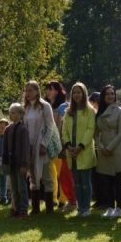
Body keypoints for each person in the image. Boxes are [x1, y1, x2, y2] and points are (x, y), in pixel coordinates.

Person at [62, 82, 97, 217]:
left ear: (84, 94)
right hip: (71, 152)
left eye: (79, 92)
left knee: (85, 181)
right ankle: (80, 208)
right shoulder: (68, 113)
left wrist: (80, 146)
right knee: (76, 182)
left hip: (84, 151)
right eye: (74, 93)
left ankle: (86, 207)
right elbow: (64, 131)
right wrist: (69, 146)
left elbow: (90, 130)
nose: (76, 95)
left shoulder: (90, 111)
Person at [22, 81, 57, 214]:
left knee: (46, 176)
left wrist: (44, 144)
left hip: (42, 145)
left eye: (30, 90)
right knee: (33, 177)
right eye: (26, 91)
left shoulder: (45, 106)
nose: (28, 93)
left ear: (37, 92)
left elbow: (50, 126)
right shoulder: (24, 107)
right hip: (29, 146)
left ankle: (49, 208)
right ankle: (35, 207)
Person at [95, 85, 121, 219]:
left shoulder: (119, 111)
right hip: (103, 150)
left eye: (112, 94)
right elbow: (95, 134)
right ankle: (110, 207)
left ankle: (119, 208)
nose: (110, 96)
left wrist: (109, 148)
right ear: (103, 96)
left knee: (117, 181)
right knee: (107, 181)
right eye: (107, 94)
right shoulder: (99, 113)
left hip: (116, 149)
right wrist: (101, 147)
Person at [45, 80, 77, 212]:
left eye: (51, 89)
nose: (48, 92)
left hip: (59, 145)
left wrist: (61, 145)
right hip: (47, 145)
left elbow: (61, 128)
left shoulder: (62, 108)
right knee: (50, 173)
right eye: (47, 89)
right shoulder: (45, 107)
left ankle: (63, 199)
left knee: (61, 173)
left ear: (57, 91)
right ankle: (52, 199)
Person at [2, 104, 30, 218]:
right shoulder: (8, 129)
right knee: (14, 187)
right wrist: (5, 161)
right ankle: (17, 208)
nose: (11, 115)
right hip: (11, 162)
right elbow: (5, 146)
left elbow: (25, 148)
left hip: (20, 163)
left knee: (21, 187)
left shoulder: (23, 129)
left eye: (13, 113)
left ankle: (23, 209)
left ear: (21, 115)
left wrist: (24, 164)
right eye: (10, 112)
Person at [88, 91, 107, 209]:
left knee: (103, 176)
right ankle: (99, 200)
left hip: (103, 148)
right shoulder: (94, 114)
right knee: (95, 175)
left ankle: (105, 200)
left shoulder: (103, 114)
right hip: (95, 149)